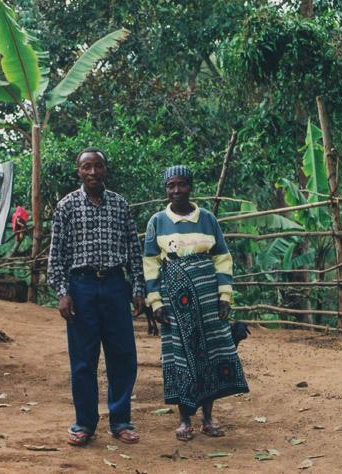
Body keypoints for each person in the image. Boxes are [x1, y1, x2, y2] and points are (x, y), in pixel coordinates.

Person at [143, 165, 249, 441]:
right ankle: (184, 420)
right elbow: (151, 263)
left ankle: (208, 418)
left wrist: (224, 297)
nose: (176, 191)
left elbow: (222, 258)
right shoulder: (157, 221)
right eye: (170, 186)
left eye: (181, 185)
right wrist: (155, 302)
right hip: (174, 303)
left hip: (207, 300)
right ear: (165, 189)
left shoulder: (208, 219)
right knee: (181, 357)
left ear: (190, 186)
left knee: (209, 356)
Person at [47, 148, 145, 446]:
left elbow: (134, 251)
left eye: (98, 166)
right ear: (78, 171)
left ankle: (121, 421)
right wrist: (63, 293)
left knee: (123, 356)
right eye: (86, 167)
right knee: (83, 360)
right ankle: (84, 424)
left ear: (105, 169)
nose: (92, 172)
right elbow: (56, 256)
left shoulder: (120, 205)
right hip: (82, 288)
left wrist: (138, 288)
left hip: (116, 286)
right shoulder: (66, 206)